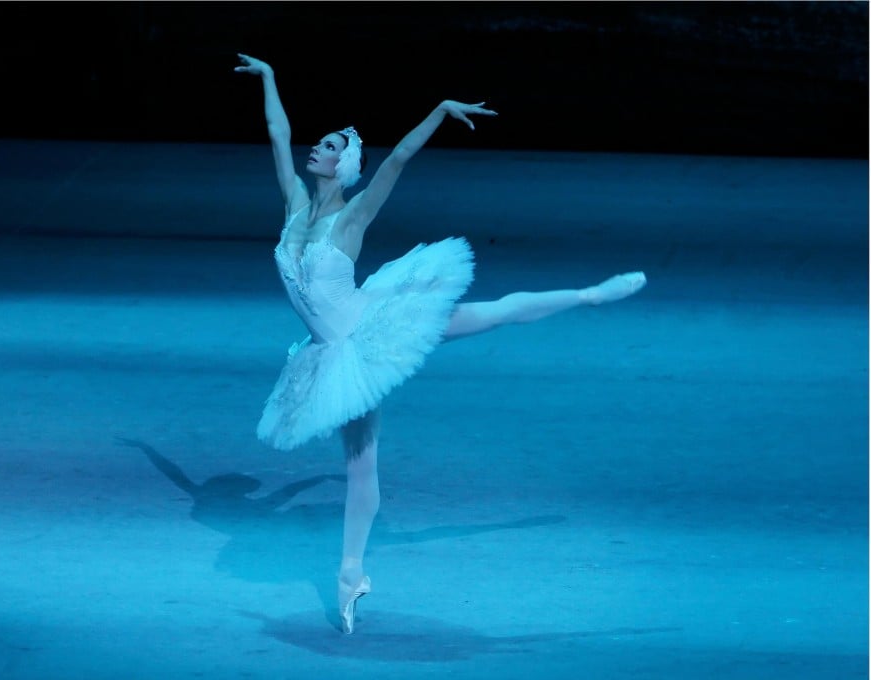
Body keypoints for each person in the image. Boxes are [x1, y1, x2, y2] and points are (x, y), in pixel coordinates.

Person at [235, 53, 646, 634]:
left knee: (491, 314)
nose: (316, 149)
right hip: (329, 353)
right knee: (360, 469)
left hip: (373, 330)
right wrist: (271, 76)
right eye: (320, 143)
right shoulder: (294, 204)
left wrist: (439, 110)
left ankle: (589, 296)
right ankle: (352, 575)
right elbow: (277, 134)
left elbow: (398, 159)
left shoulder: (352, 218)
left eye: (328, 146)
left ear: (344, 165)